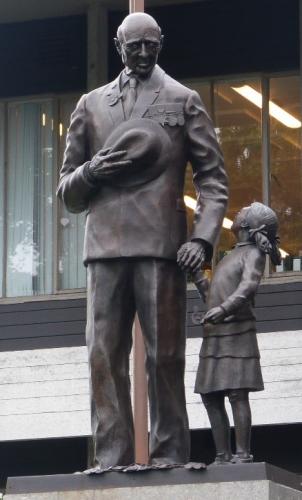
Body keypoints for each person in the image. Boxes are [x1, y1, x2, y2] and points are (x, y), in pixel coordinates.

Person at [57, 12, 228, 469]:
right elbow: (67, 191)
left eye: (152, 44)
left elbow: (213, 180)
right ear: (118, 46)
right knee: (102, 355)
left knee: (165, 354)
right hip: (104, 249)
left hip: (161, 247)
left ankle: (170, 453)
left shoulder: (183, 99)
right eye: (135, 46)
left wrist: (204, 240)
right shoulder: (90, 105)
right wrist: (92, 171)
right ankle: (110, 457)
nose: (144, 53)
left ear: (161, 43)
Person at [194, 202, 281, 464]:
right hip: (216, 332)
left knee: (236, 392)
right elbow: (212, 296)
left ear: (247, 224)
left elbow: (247, 289)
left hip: (237, 329)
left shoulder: (254, 254)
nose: (238, 212)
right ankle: (222, 455)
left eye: (243, 210)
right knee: (210, 394)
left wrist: (222, 310)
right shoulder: (228, 256)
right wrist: (196, 274)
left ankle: (243, 453)